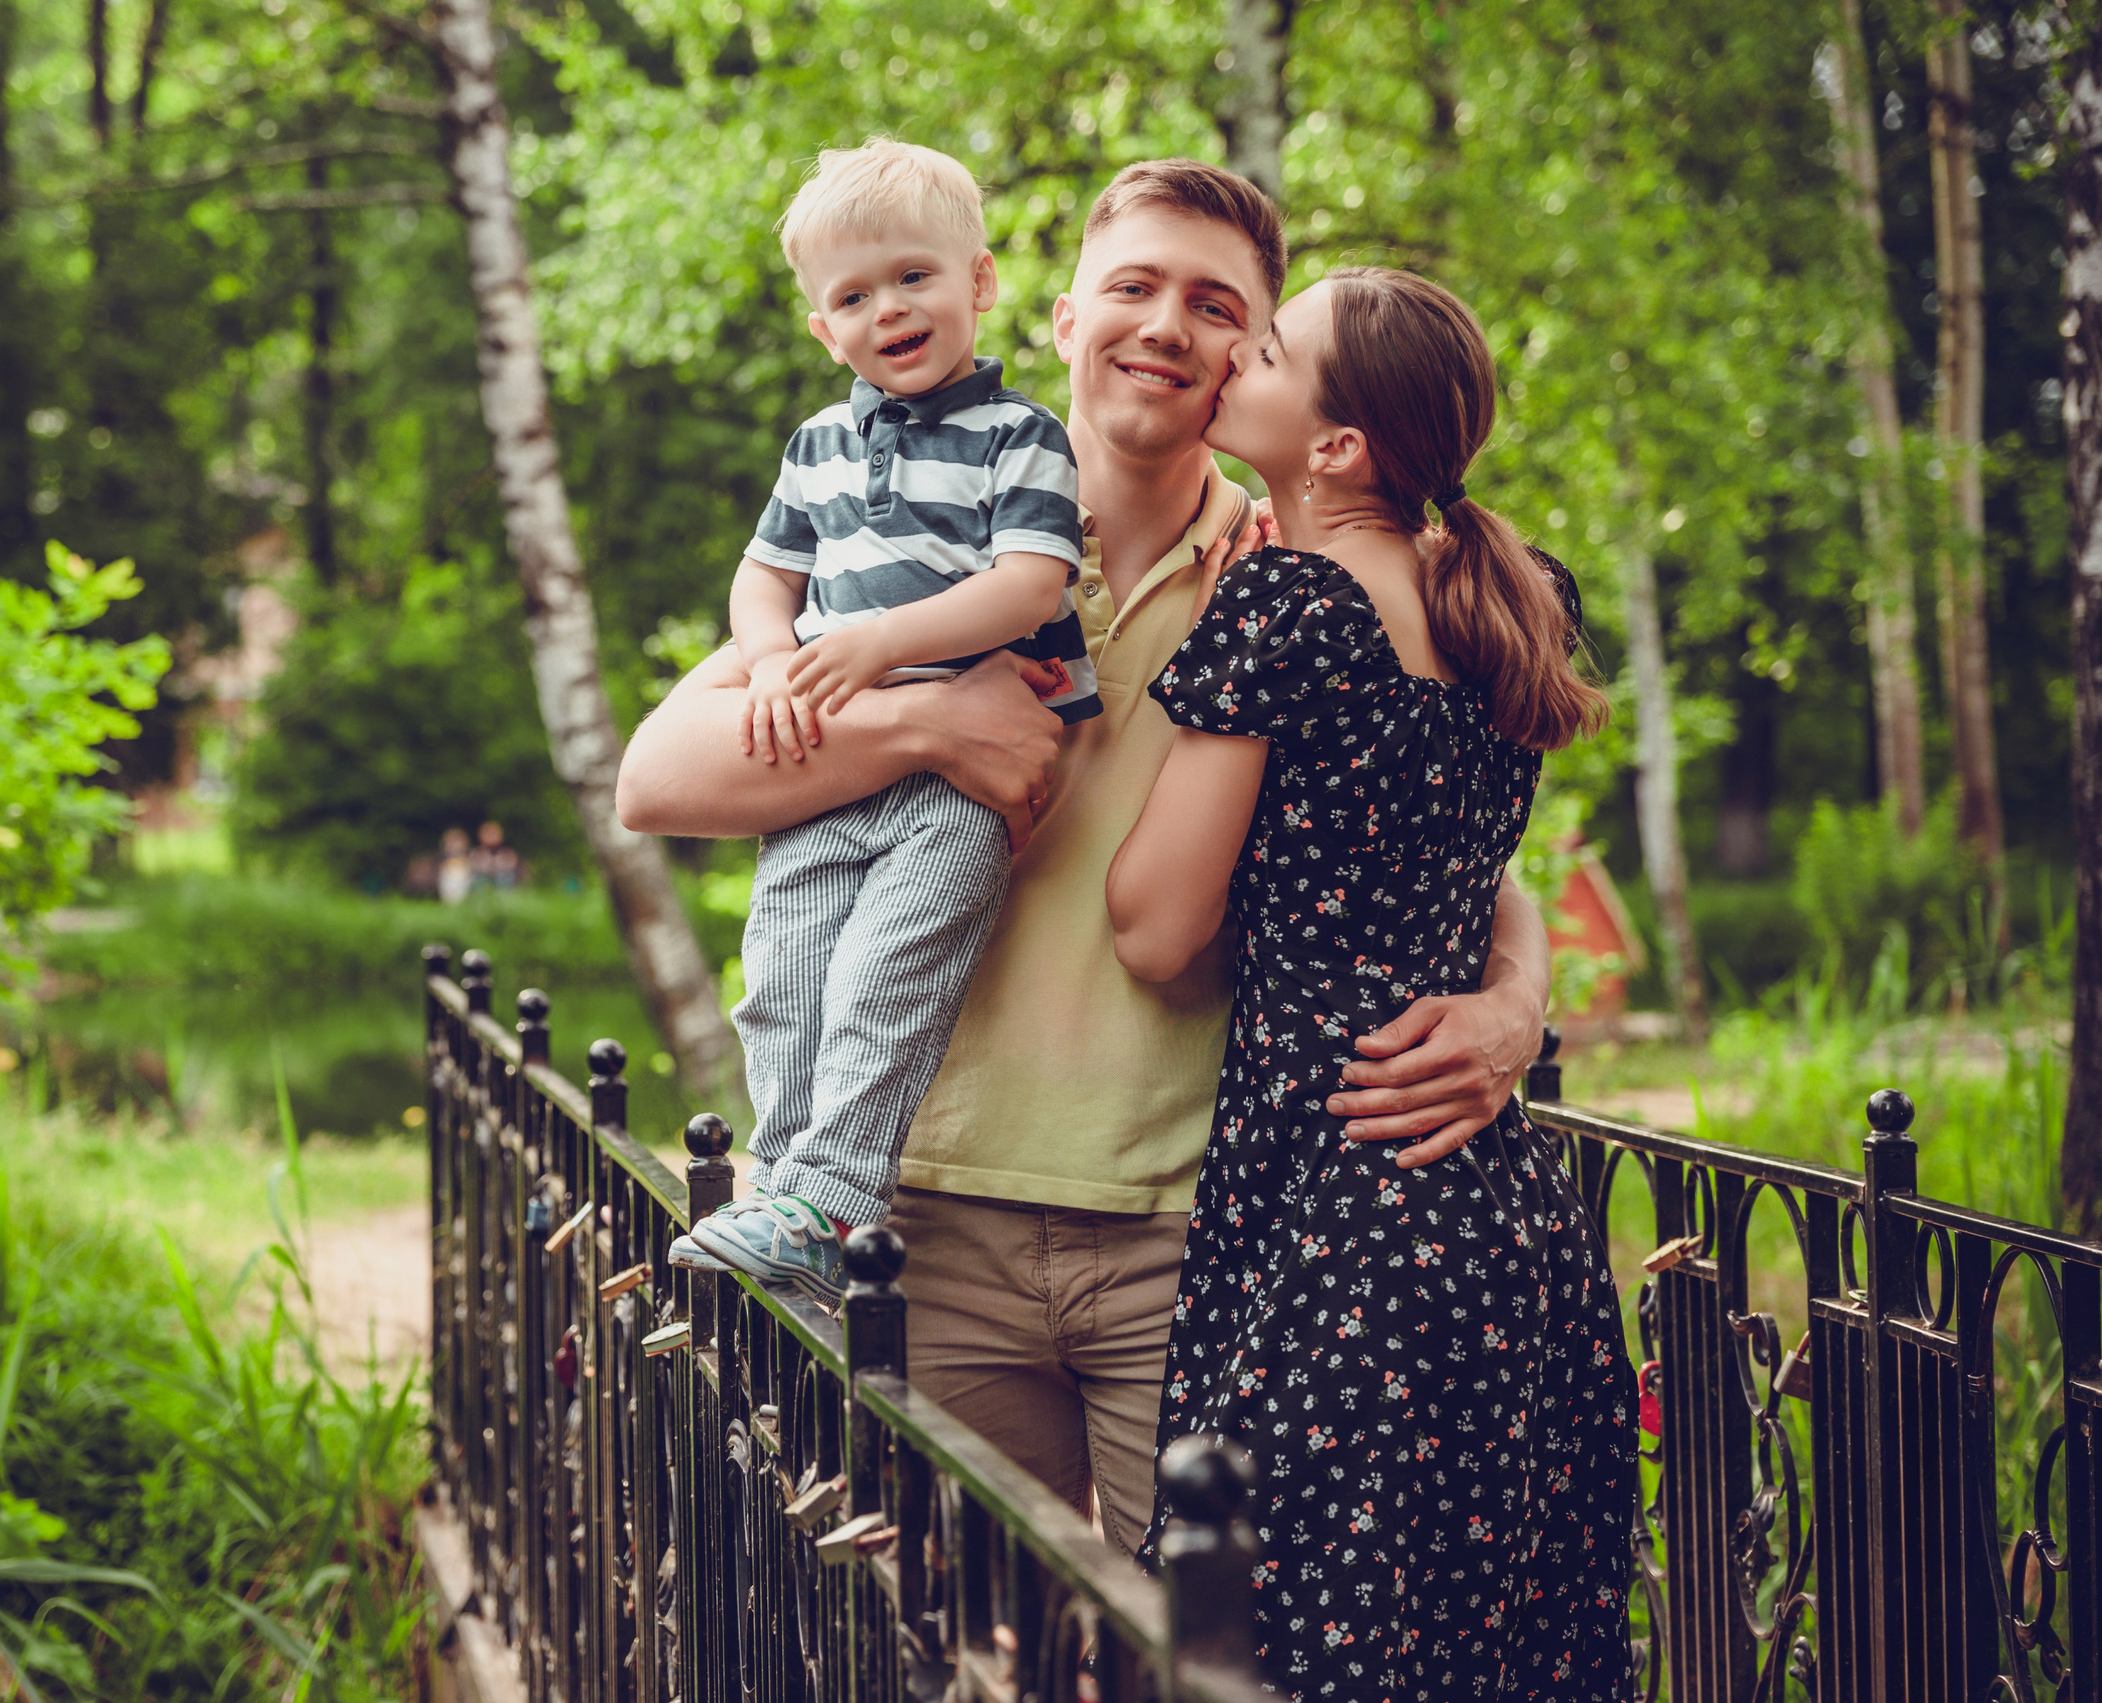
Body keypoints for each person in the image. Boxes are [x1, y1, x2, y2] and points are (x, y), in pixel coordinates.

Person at [618, 160, 1552, 1557]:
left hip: (1191, 1223)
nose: (1166, 324)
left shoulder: (1284, 581)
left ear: (1256, 354)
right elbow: (656, 774)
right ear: (1059, 318)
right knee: (981, 1645)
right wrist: (935, 717)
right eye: (1133, 287)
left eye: (1215, 304)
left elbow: (1430, 840)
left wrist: (1515, 998)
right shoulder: (918, 528)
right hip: (932, 1222)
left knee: (1196, 1639)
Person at [1110, 267, 1633, 1694]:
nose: (1231, 361)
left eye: (1265, 349)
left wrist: (1223, 656)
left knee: (1288, 1640)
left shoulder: (1287, 603)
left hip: (1341, 1198)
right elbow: (1467, 865)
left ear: (1335, 444)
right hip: (1497, 1209)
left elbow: (1153, 924)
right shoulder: (1506, 591)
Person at [665, 139, 1091, 1305]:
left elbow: (1029, 585)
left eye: (913, 277)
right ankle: (787, 1192)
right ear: (821, 328)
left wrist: (872, 644)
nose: (887, 309)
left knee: (881, 975)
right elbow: (763, 578)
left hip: (960, 782)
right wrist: (767, 662)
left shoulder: (1020, 434)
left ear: (980, 281)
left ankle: (835, 1189)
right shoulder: (816, 446)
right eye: (851, 296)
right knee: (783, 977)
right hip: (833, 770)